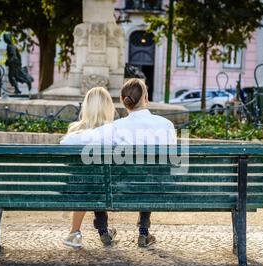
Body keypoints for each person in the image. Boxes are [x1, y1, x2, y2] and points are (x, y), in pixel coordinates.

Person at [93, 78, 177, 247]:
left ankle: (103, 230)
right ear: (145, 99)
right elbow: (171, 162)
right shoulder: (165, 125)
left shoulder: (113, 128)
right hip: (155, 189)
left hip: (118, 191)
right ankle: (143, 232)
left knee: (95, 176)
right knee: (150, 175)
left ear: (123, 101)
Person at [60, 87, 117, 248]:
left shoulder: (74, 133)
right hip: (109, 189)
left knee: (85, 180)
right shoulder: (114, 132)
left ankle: (75, 232)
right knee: (96, 180)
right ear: (108, 107)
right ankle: (103, 231)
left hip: (78, 189)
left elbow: (63, 152)